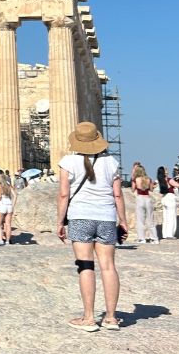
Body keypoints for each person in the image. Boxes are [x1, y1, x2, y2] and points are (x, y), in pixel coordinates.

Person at [56, 122, 127, 332]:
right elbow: (117, 194)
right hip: (106, 218)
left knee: (85, 266)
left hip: (80, 217)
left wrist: (60, 222)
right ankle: (111, 318)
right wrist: (123, 220)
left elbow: (63, 194)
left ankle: (88, 318)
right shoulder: (111, 162)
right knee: (108, 266)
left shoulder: (68, 162)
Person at [131, 164, 158, 244]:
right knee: (150, 219)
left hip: (140, 198)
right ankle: (154, 238)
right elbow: (151, 189)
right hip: (148, 199)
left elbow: (133, 189)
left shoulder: (135, 179)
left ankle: (142, 238)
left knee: (140, 220)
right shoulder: (149, 179)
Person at [0, 171, 15, 244]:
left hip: (2, 204)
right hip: (9, 204)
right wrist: (13, 205)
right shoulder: (8, 184)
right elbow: (15, 195)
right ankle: (7, 241)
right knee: (8, 224)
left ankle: (0, 240)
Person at [156, 166, 178, 239]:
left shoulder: (160, 180)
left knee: (165, 217)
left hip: (164, 197)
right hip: (170, 197)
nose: (167, 171)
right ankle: (170, 234)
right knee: (171, 216)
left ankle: (165, 234)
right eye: (166, 170)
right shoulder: (169, 179)